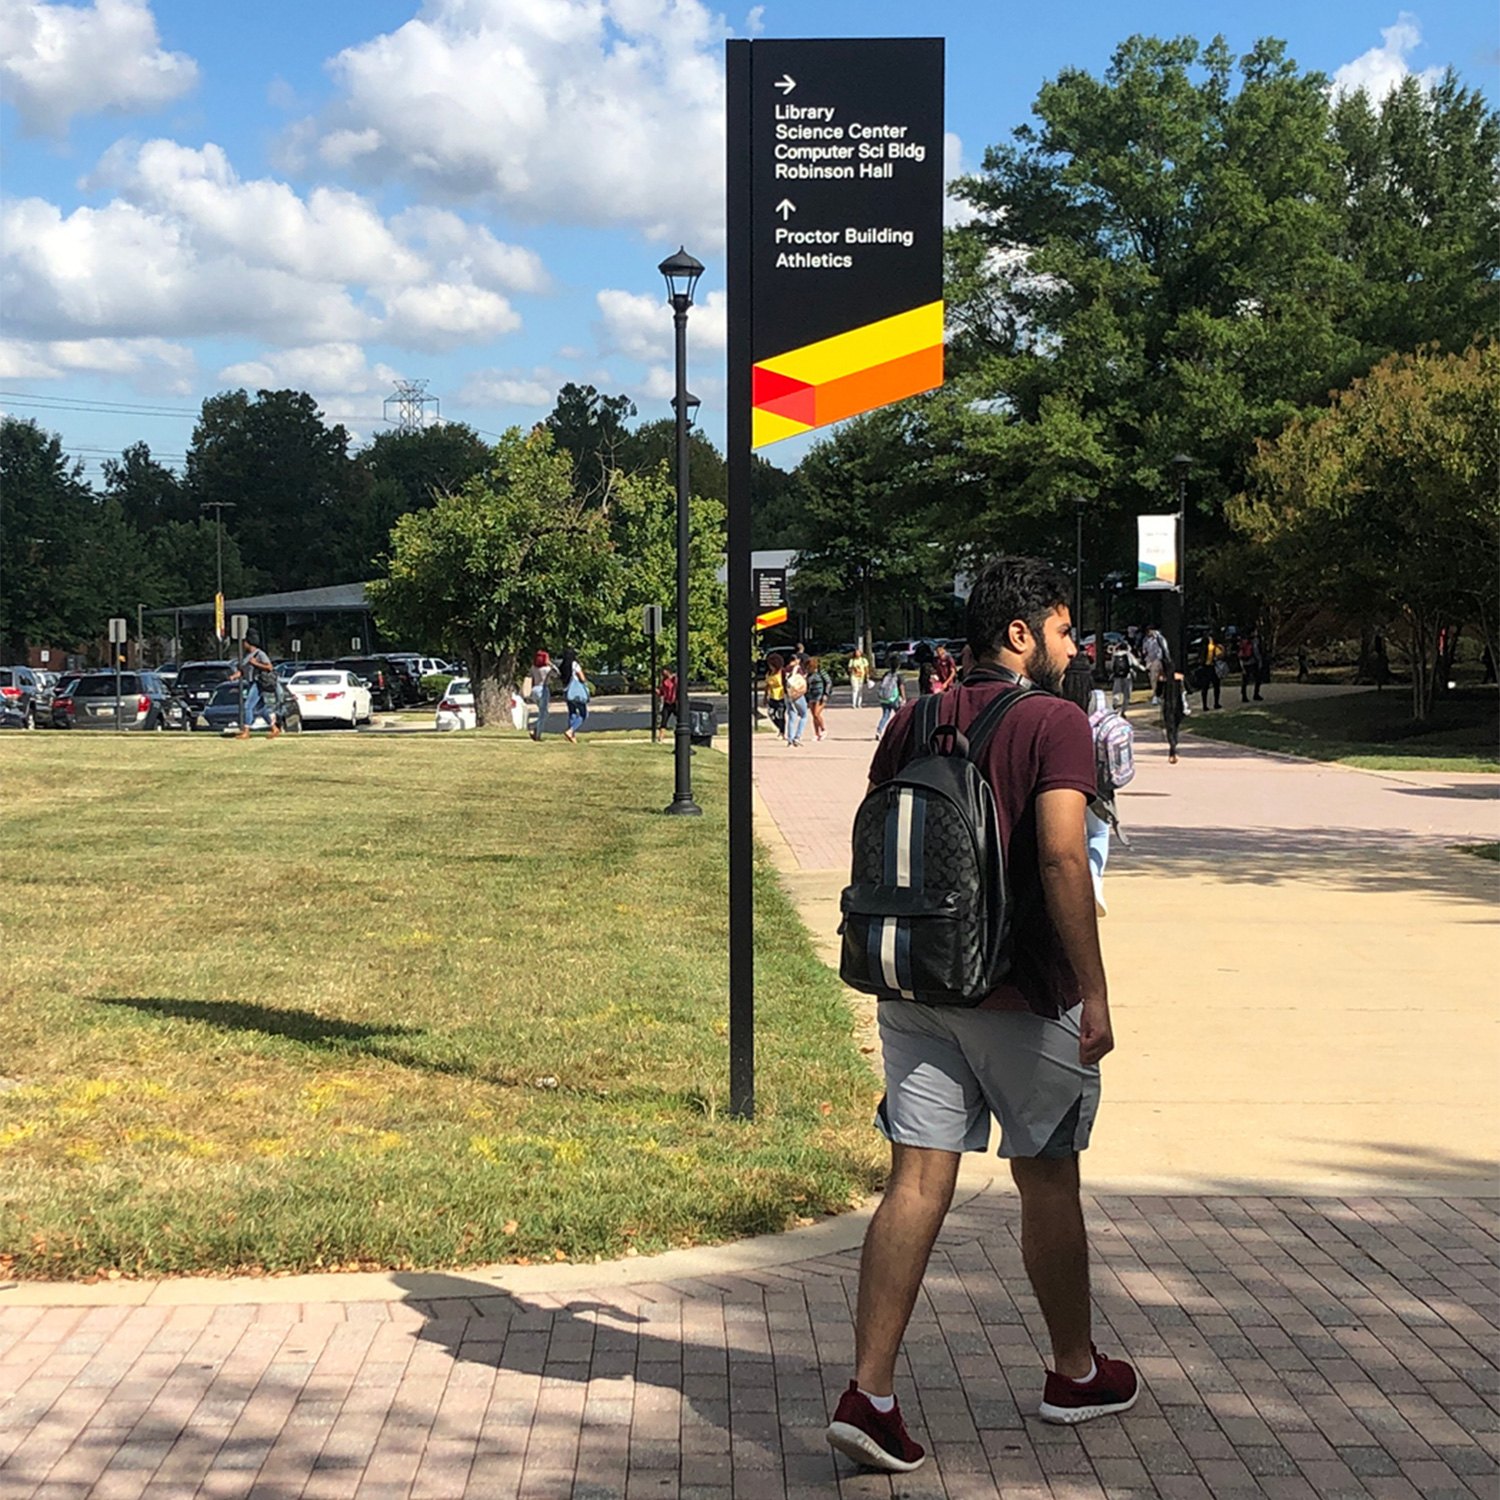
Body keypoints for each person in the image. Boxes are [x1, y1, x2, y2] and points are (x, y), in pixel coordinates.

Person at [825, 555, 1136, 1476]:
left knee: (916, 1180)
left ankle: (869, 1394)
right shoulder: (1056, 724)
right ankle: (1075, 1372)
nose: (1073, 645)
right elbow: (1058, 859)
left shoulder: (912, 717)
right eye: (1064, 629)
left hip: (916, 984)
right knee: (1047, 1178)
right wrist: (1094, 987)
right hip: (1018, 990)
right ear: (1019, 634)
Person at [231, 630, 281, 739]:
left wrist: (256, 663)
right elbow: (244, 670)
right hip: (250, 682)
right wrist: (235, 676)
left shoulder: (260, 654)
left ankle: (246, 731)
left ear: (250, 643)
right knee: (261, 708)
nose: (243, 644)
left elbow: (269, 667)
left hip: (258, 683)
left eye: (245, 642)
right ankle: (274, 728)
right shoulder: (247, 656)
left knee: (247, 706)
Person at [560, 651, 589, 742]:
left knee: (572, 713)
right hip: (576, 692)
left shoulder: (562, 666)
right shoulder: (574, 664)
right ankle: (571, 730)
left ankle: (572, 736)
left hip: (567, 691)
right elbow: (582, 677)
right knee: (583, 714)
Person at [874, 658, 905, 740]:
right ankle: (897, 732)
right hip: (894, 698)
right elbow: (901, 687)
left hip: (884, 698)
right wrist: (903, 698)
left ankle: (879, 730)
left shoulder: (886, 674)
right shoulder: (898, 675)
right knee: (899, 715)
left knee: (885, 716)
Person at [783, 653, 810, 747]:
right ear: (795, 660)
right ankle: (797, 737)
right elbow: (801, 680)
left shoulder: (785, 669)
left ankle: (790, 739)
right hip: (797, 695)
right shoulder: (798, 669)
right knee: (804, 715)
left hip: (787, 695)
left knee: (791, 716)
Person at [1161, 666, 1187, 763]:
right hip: (1174, 705)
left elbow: (1158, 693)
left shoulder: (1168, 678)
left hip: (1172, 705)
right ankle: (1173, 748)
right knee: (1173, 728)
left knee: (1172, 728)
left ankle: (1173, 747)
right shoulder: (1175, 678)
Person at [529, 649, 554, 740]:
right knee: (543, 714)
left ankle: (536, 729)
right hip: (543, 689)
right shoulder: (547, 669)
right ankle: (537, 733)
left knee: (544, 712)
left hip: (534, 689)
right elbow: (557, 673)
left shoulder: (533, 668)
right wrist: (551, 664)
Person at [806, 655, 831, 741]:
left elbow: (828, 682)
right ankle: (816, 733)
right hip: (811, 695)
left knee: (817, 713)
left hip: (820, 695)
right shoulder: (809, 674)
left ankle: (823, 729)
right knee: (813, 715)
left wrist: (826, 694)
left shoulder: (821, 672)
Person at [1108, 640, 1139, 712]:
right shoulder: (1128, 654)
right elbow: (1136, 664)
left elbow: (1111, 666)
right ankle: (1123, 710)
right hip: (1127, 676)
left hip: (1117, 677)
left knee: (1116, 692)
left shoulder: (1115, 655)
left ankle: (1115, 704)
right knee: (1127, 695)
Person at [1197, 633, 1222, 712]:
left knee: (1205, 687)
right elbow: (1218, 655)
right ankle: (1215, 703)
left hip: (1206, 667)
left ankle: (1205, 705)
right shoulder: (1212, 646)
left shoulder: (1203, 646)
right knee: (1215, 685)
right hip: (1210, 667)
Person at [1141, 627, 1166, 705]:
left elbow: (1161, 651)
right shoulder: (1146, 640)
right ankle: (1156, 694)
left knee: (1159, 678)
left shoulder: (1159, 639)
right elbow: (1144, 650)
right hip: (1150, 661)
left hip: (1158, 661)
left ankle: (1159, 695)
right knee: (1153, 679)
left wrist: (1157, 660)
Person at [764, 653, 787, 738]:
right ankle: (779, 727)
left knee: (780, 715)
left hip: (781, 697)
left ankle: (782, 731)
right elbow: (767, 685)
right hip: (772, 697)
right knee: (771, 714)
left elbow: (785, 684)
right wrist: (765, 696)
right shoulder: (769, 673)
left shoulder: (782, 672)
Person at [1238, 632, 1262, 702]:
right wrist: (1259, 661)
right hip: (1252, 662)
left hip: (1244, 663)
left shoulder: (1242, 643)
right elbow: (1256, 652)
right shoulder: (1253, 642)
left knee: (1245, 681)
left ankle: (1244, 696)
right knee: (1257, 678)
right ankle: (1256, 694)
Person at [659, 667, 678, 741]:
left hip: (675, 702)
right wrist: (659, 692)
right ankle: (660, 737)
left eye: (664, 672)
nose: (663, 674)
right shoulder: (664, 681)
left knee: (680, 718)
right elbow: (662, 692)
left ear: (668, 671)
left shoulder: (675, 679)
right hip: (667, 703)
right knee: (664, 720)